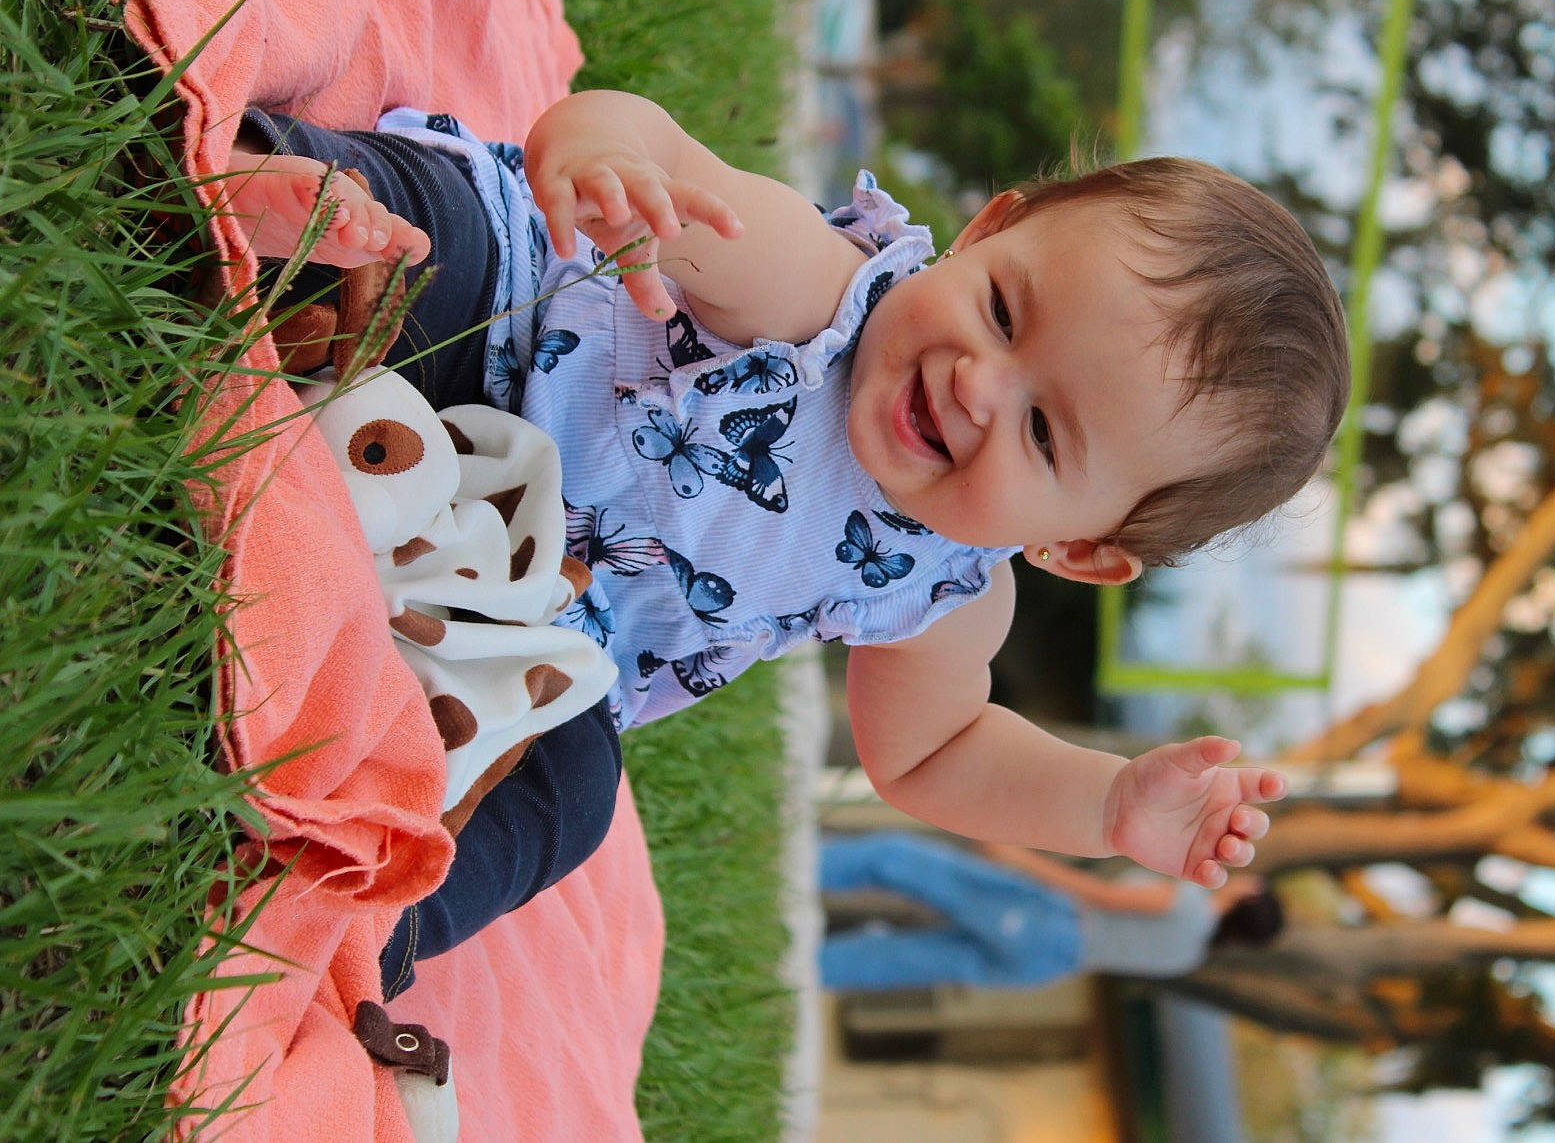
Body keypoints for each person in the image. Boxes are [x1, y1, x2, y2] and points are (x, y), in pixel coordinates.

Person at [218, 89, 1348, 995]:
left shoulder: (944, 596)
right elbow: (644, 145)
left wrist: (1103, 807)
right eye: (1003, 311)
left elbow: (929, 756)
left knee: (570, 799)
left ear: (1079, 550)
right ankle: (261, 218)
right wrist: (610, 162)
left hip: (521, 626)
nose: (976, 384)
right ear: (988, 230)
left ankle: (347, 915)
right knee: (434, 240)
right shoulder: (814, 290)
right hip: (503, 354)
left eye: (1045, 433)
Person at [817, 830, 1284, 991]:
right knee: (901, 961)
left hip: (1051, 924)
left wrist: (1021, 861)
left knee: (906, 864)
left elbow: (1096, 895)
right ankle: (799, 969)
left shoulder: (1187, 904)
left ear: (1249, 894)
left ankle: (805, 864)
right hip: (1050, 965)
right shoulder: (1190, 958)